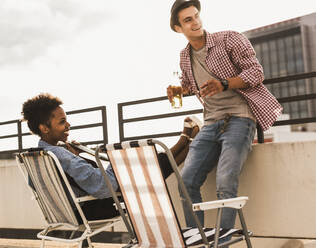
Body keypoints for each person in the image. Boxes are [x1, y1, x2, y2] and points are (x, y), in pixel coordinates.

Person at [167, 0, 282, 233]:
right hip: (210, 123)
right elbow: (190, 84)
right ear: (178, 28)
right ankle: (195, 237)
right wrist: (178, 91)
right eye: (188, 20)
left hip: (240, 117)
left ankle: (224, 240)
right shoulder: (184, 55)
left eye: (196, 16)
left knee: (226, 181)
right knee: (186, 181)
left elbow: (256, 72)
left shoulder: (229, 38)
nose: (196, 22)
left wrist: (225, 84)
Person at [21, 93, 201, 221]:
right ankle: (186, 142)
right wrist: (118, 163)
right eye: (62, 122)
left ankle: (187, 143)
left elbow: (48, 184)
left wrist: (76, 157)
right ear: (44, 128)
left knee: (151, 172)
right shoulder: (60, 154)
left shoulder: (37, 156)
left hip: (68, 213)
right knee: (148, 172)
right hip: (94, 209)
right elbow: (102, 186)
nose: (68, 124)